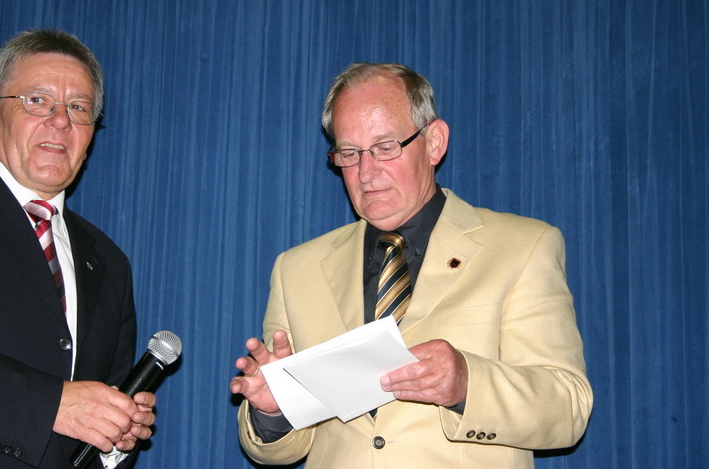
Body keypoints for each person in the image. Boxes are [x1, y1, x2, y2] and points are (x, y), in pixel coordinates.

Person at [230, 63, 593, 468]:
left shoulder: (522, 247)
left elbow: (568, 408)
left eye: (386, 147)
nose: (366, 172)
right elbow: (284, 449)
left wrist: (467, 382)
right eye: (349, 153)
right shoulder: (297, 269)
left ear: (434, 142)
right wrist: (274, 412)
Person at [0, 29, 154, 468]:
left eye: (78, 108)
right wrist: (51, 405)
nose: (60, 121)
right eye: (37, 100)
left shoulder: (109, 261)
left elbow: (93, 414)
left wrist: (116, 434)